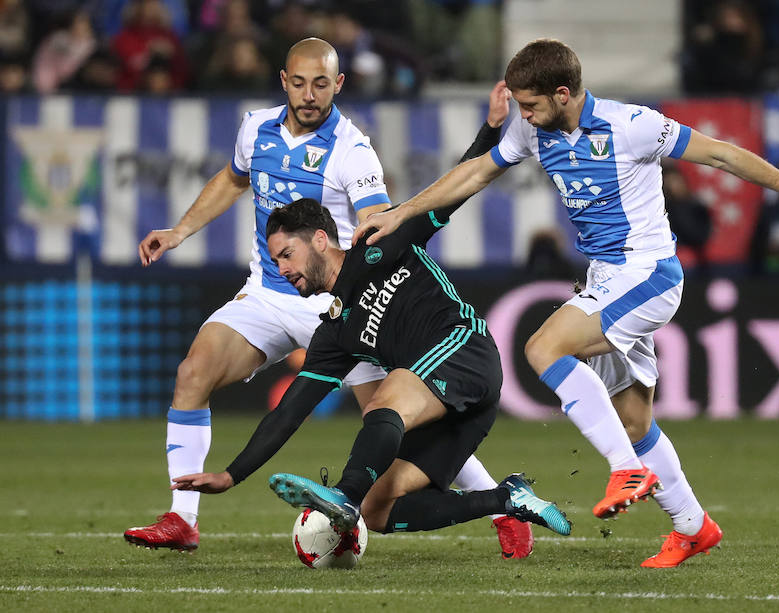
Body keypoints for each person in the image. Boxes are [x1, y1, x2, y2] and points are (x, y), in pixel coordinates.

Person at [353, 38, 779, 567]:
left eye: (531, 105)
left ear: (562, 94)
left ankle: (624, 470)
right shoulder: (531, 128)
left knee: (543, 347)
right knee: (633, 421)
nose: (522, 116)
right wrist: (401, 213)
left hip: (649, 272)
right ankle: (693, 525)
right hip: (605, 276)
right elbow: (473, 173)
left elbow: (722, 153)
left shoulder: (631, 125)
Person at [124, 39, 533, 559]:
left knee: (391, 418)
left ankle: (498, 504)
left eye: (321, 84)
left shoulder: (351, 149)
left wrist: (377, 258)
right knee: (191, 373)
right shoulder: (256, 128)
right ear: (284, 80)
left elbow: (380, 219)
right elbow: (232, 179)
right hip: (269, 293)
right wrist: (180, 231)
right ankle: (182, 519)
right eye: (299, 83)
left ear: (338, 85)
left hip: (336, 305)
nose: (309, 95)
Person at [170, 197, 572, 541]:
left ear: (321, 240)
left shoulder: (379, 242)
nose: (282, 269)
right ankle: (506, 499)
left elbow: (450, 194)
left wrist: (493, 136)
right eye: (274, 260)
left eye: (287, 254)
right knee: (379, 510)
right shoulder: (333, 334)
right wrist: (231, 475)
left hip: (464, 349)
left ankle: (345, 494)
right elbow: (288, 413)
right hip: (448, 402)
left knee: (385, 399)